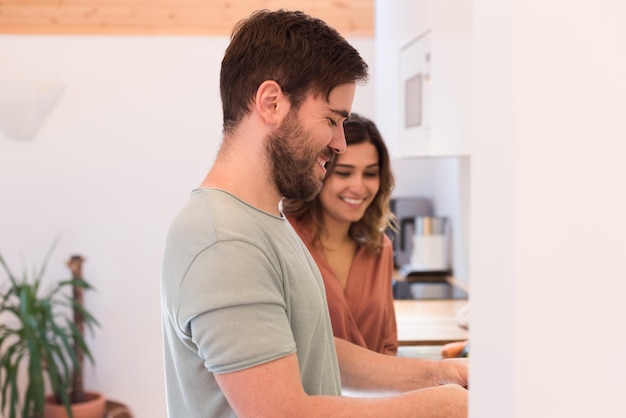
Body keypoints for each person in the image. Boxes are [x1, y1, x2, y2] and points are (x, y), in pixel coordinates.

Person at [161, 9, 468, 418]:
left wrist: (435, 374)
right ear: (271, 103)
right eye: (331, 120)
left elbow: (311, 346)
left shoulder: (261, 219)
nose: (340, 142)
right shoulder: (224, 240)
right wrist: (442, 408)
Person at [282, 113, 399, 355]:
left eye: (370, 174)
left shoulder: (379, 247)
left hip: (378, 392)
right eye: (344, 173)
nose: (358, 187)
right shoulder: (286, 240)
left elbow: (388, 343)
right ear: (319, 171)